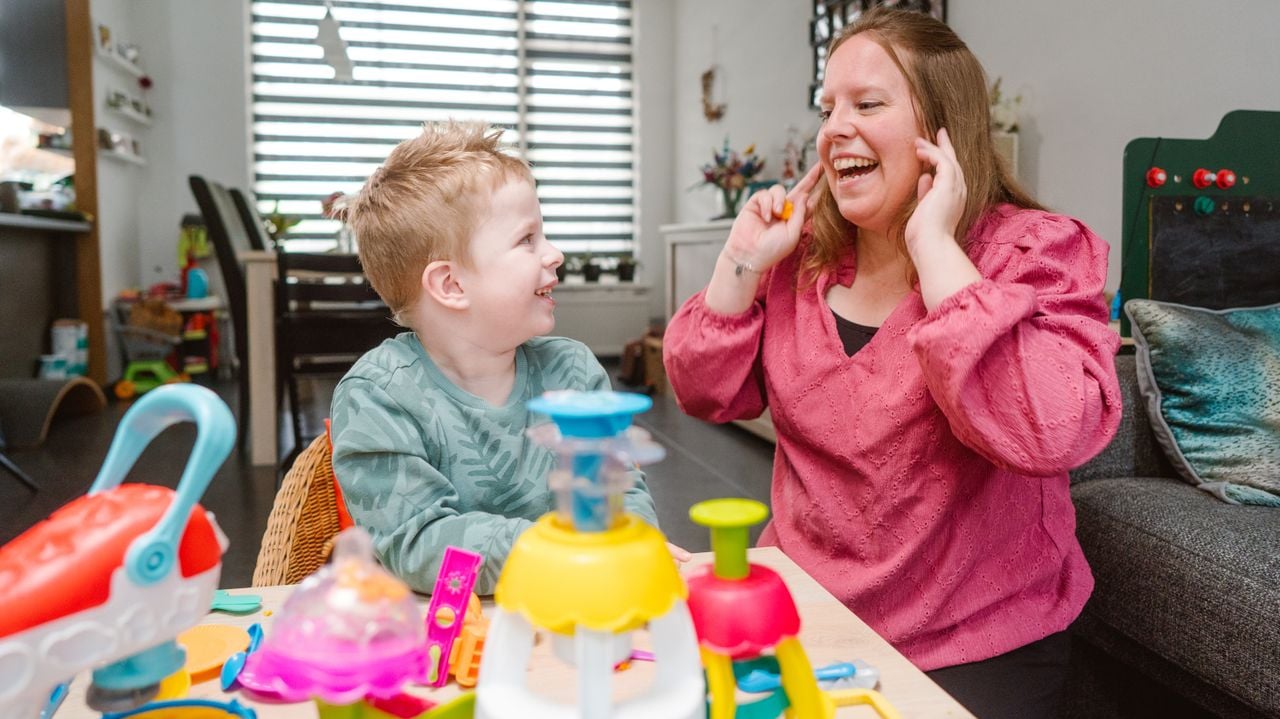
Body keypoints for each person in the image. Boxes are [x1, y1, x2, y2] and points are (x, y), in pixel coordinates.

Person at [663, 8, 1121, 718]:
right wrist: (742, 262)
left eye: (867, 104)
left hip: (973, 641)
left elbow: (1049, 430)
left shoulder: (1037, 251)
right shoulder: (802, 258)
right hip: (804, 611)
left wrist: (936, 249)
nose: (833, 129)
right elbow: (703, 392)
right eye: (828, 108)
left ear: (943, 129)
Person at [330, 121, 670, 596]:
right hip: (446, 629)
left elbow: (620, 488)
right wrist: (559, 549)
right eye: (527, 239)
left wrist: (633, 540)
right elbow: (418, 541)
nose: (555, 254)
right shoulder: (377, 397)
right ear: (451, 285)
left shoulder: (573, 372)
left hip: (578, 606)